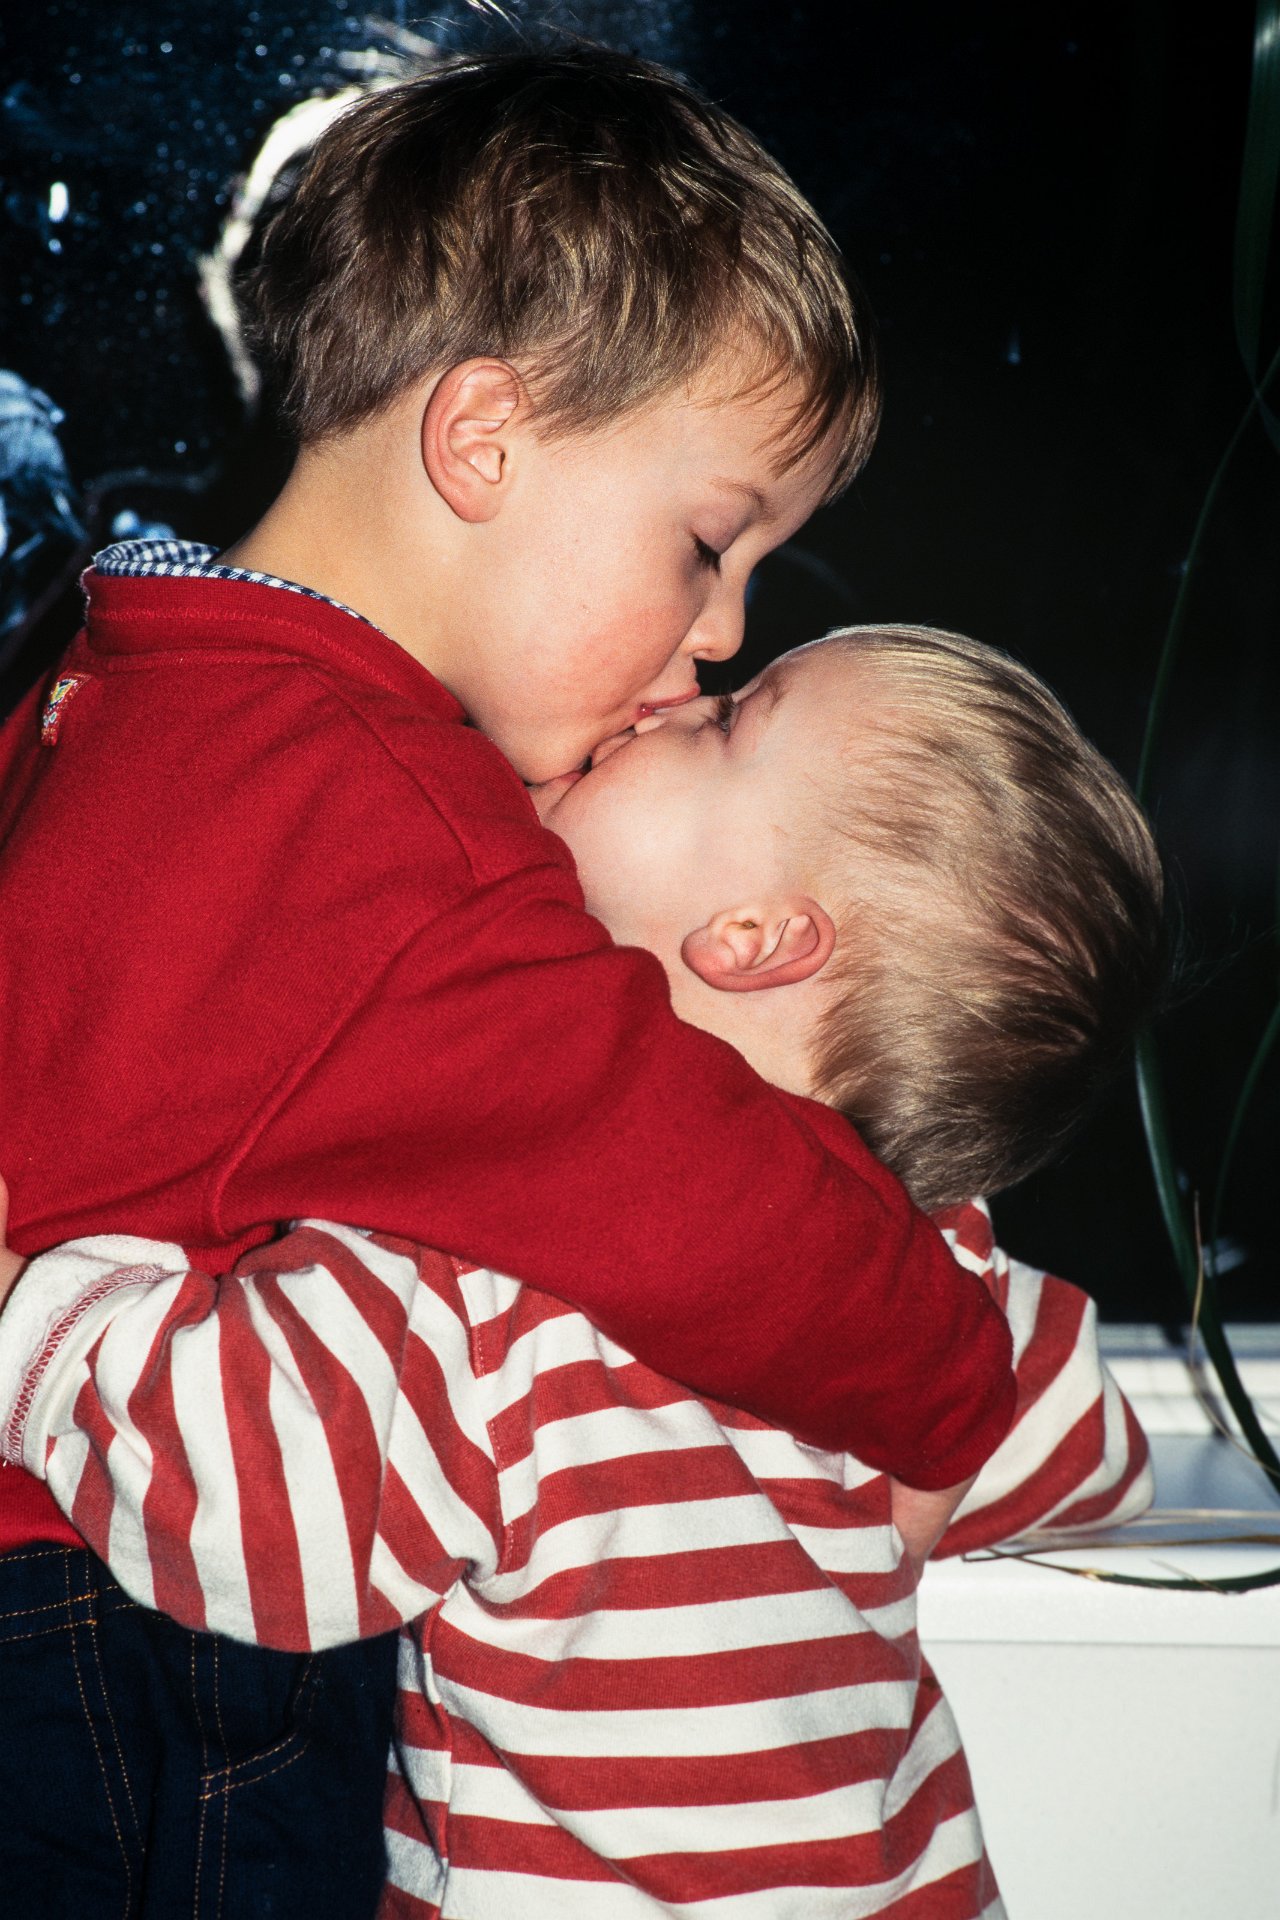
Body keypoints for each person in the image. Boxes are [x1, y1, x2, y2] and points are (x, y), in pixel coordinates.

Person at [0, 47, 1015, 1917]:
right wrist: (955, 1376)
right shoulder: (390, 832)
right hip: (143, 1633)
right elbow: (687, 1186)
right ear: (484, 437)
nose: (720, 632)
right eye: (707, 542)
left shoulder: (116, 682)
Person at [0, 627, 1166, 1916]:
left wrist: (29, 1298)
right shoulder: (937, 1255)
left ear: (756, 936)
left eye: (729, 721)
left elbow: (263, 1510)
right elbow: (1096, 1448)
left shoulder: (503, 1265)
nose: (673, 697)